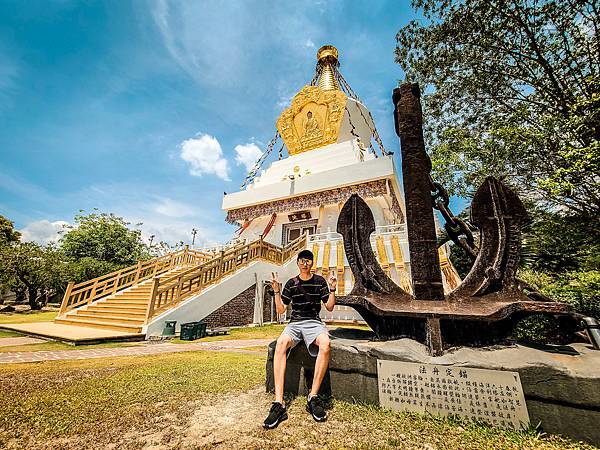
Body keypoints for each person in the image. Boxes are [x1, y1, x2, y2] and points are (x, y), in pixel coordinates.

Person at [263, 249, 337, 429]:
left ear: (312, 264)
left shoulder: (319, 281)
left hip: (314, 323)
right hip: (295, 324)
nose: (305, 263)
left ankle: (313, 397)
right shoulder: (291, 283)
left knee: (325, 344)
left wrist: (333, 287)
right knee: (280, 344)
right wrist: (277, 292)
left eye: (309, 261)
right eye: (302, 260)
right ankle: (279, 403)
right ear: (298, 263)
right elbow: (281, 310)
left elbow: (329, 307)